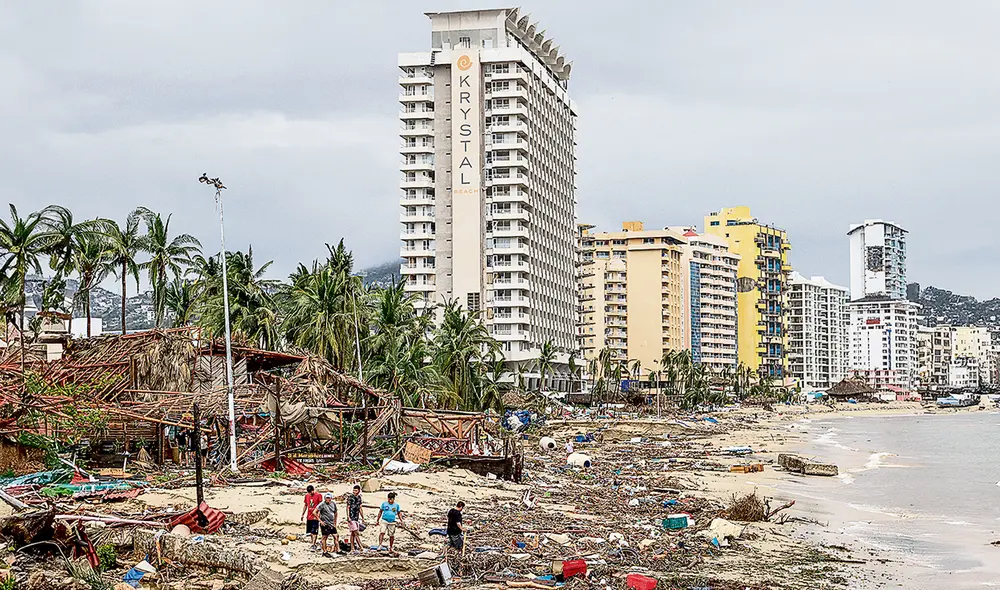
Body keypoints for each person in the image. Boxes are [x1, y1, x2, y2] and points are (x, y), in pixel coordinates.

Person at [300, 484, 323, 550]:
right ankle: (312, 543)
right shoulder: (307, 496)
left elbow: (321, 505)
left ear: (313, 490)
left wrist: (318, 514)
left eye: (311, 492)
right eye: (309, 492)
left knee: (314, 531)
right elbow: (305, 505)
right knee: (310, 531)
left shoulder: (318, 495)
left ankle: (313, 544)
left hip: (315, 516)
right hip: (309, 516)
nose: (310, 493)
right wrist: (302, 514)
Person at [317, 492, 339, 557]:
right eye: (326, 498)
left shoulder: (333, 504)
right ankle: (324, 551)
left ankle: (338, 550)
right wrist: (320, 521)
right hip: (325, 524)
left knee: (336, 536)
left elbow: (335, 513)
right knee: (324, 537)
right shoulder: (322, 504)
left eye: (329, 498)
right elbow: (315, 512)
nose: (327, 499)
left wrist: (335, 522)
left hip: (331, 523)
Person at [346, 485, 364, 553]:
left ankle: (352, 548)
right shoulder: (350, 497)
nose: (354, 492)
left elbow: (360, 508)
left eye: (356, 490)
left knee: (353, 533)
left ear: (359, 491)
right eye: (354, 490)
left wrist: (362, 517)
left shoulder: (359, 498)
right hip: (351, 517)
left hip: (356, 517)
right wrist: (348, 516)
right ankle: (360, 546)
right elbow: (348, 507)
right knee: (356, 532)